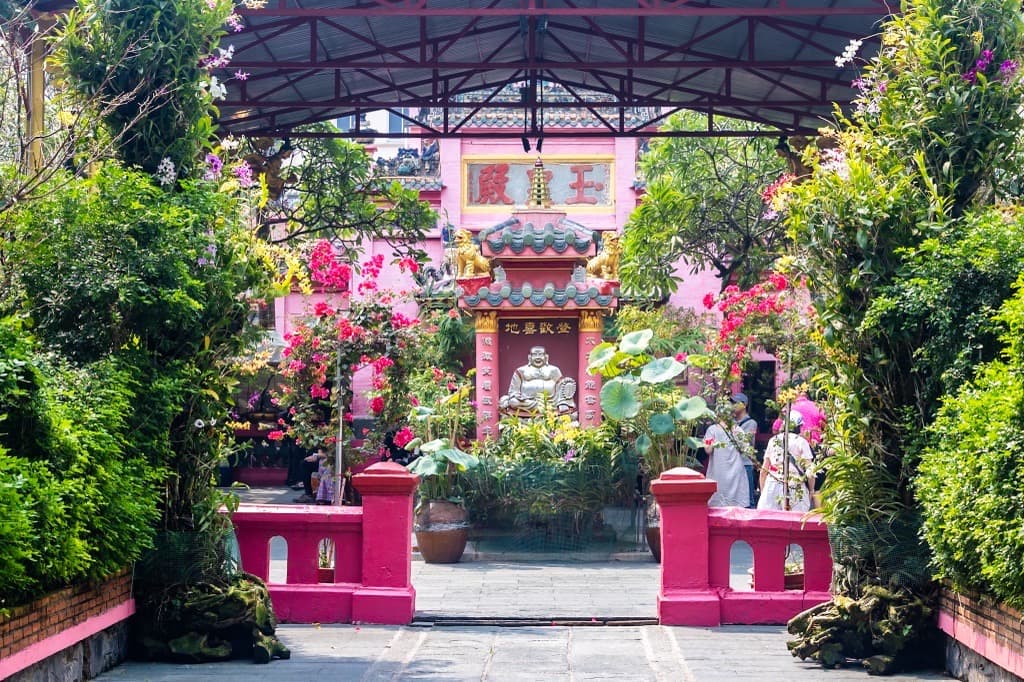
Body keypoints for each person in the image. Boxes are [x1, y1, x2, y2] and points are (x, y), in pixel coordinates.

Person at [757, 411, 815, 512]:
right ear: (798, 426)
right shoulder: (801, 442)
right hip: (795, 484)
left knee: (769, 518)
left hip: (773, 482)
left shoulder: (773, 440)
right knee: (796, 519)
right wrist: (811, 490)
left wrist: (764, 492)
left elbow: (763, 471)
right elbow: (810, 472)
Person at [498, 346, 576, 416]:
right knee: (513, 402)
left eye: (540, 354)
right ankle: (542, 408)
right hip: (527, 402)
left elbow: (561, 386)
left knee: (566, 408)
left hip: (550, 401)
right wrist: (518, 397)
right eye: (535, 354)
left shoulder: (554, 370)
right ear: (529, 357)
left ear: (546, 357)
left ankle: (545, 407)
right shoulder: (521, 370)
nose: (538, 357)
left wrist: (562, 402)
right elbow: (513, 390)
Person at [703, 406, 751, 508]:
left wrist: (714, 443)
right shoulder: (737, 430)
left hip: (718, 469)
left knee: (717, 503)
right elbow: (746, 450)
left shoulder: (712, 430)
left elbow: (708, 450)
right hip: (735, 469)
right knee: (736, 505)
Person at [730, 392, 759, 508]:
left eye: (736, 403)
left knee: (748, 497)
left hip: (745, 463)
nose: (733, 406)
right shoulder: (730, 422)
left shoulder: (751, 423)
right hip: (732, 463)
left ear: (744, 405)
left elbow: (744, 442)